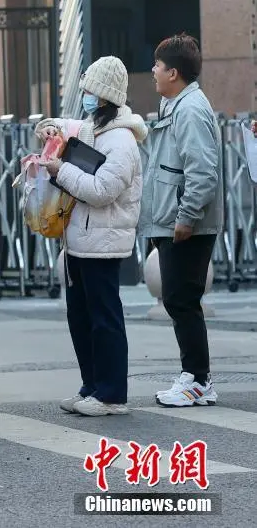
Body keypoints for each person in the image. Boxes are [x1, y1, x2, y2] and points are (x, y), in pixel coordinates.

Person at [35, 56, 148, 416]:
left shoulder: (120, 141)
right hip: (79, 242)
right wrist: (49, 130)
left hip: (104, 244)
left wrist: (61, 170)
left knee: (104, 319)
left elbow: (101, 191)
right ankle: (92, 387)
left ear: (103, 97)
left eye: (87, 92)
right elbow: (54, 124)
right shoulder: (90, 129)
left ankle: (112, 395)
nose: (83, 97)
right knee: (80, 317)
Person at [138, 34, 223, 408]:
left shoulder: (189, 110)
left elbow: (203, 171)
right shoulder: (175, 106)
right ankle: (194, 376)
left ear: (174, 72)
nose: (153, 71)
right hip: (174, 222)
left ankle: (198, 380)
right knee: (180, 299)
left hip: (187, 225)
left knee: (182, 300)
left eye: (157, 66)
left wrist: (186, 217)